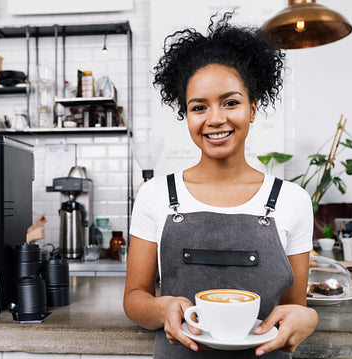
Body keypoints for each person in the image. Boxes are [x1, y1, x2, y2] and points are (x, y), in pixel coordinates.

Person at [123, 13, 318, 359]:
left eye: (230, 102)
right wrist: (162, 308)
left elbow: (294, 308)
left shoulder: (292, 200)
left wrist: (309, 318)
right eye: (199, 107)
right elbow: (135, 297)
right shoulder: (155, 195)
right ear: (187, 114)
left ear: (253, 109)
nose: (215, 119)